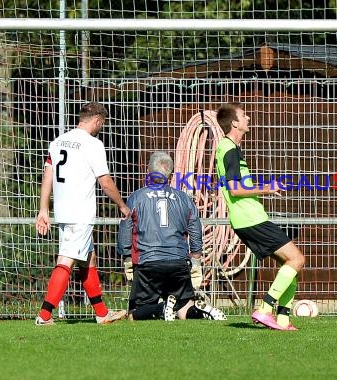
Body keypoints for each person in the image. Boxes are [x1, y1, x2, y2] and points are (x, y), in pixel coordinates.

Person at [35, 102, 129, 325]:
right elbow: (105, 181)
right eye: (102, 123)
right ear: (97, 120)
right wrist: (122, 205)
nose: (101, 127)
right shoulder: (92, 144)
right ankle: (44, 315)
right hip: (80, 212)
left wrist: (43, 209)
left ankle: (102, 313)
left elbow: (47, 174)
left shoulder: (58, 142)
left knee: (88, 258)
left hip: (63, 210)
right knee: (67, 259)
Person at [215, 102, 306, 331]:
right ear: (235, 123)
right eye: (244, 116)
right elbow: (235, 189)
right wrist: (266, 189)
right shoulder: (229, 149)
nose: (248, 119)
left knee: (290, 265)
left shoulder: (229, 148)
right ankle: (265, 309)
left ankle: (283, 319)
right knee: (297, 259)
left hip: (248, 218)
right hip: (250, 218)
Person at [117, 151, 226, 321]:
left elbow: (126, 227)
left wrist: (126, 257)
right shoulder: (184, 198)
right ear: (172, 174)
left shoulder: (136, 197)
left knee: (133, 315)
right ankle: (202, 312)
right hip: (178, 262)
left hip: (148, 262)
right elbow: (195, 228)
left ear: (148, 171)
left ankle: (161, 309)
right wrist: (196, 258)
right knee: (184, 309)